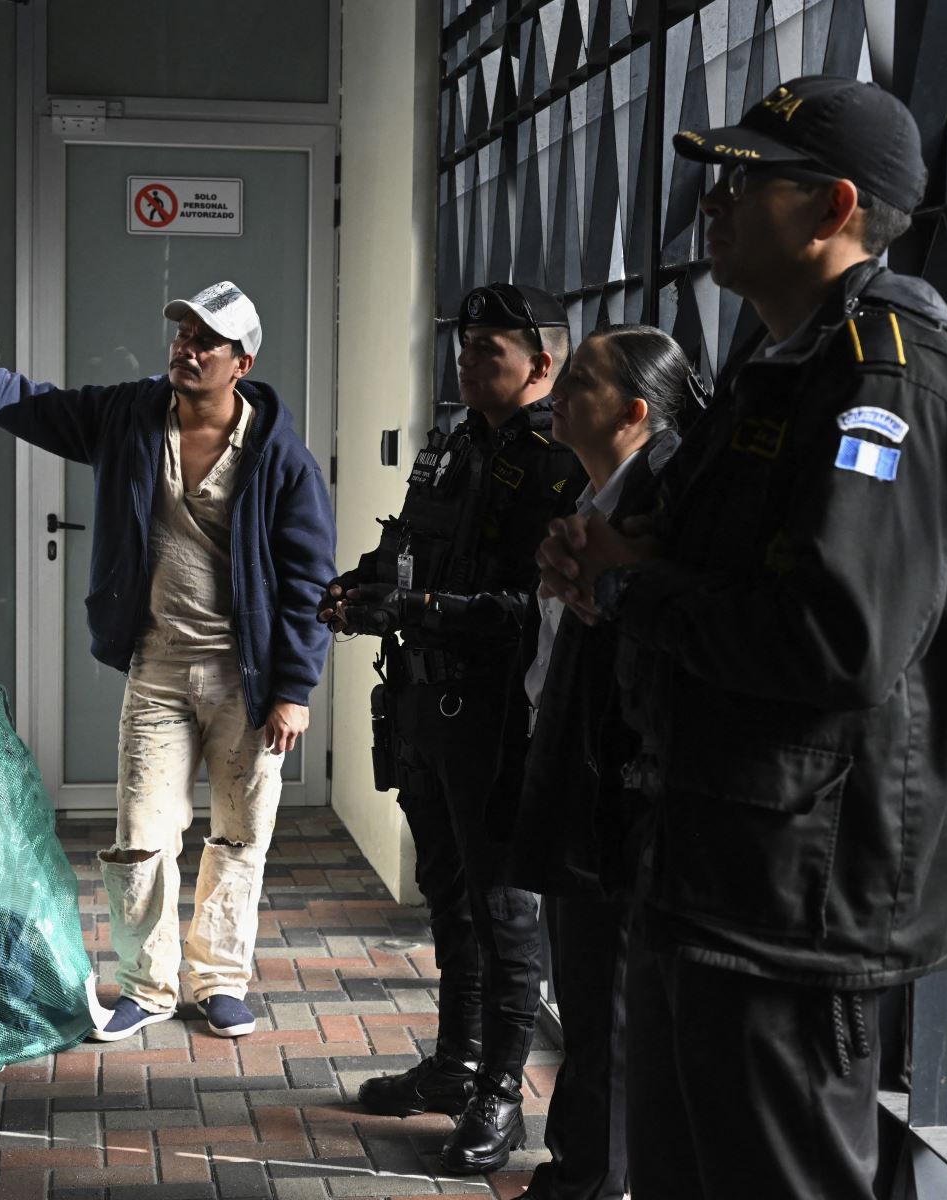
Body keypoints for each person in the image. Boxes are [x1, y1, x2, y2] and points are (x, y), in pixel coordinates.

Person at [537, 76, 947, 1197]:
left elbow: (837, 639)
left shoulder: (889, 375)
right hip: (707, 867)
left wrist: (636, 590)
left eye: (750, 179)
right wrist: (608, 560)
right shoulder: (776, 365)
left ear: (834, 207)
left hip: (797, 900)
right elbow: (704, 559)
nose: (719, 199)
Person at [0, 270, 336, 1043]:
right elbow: (28, 403)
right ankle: (147, 986)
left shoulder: (280, 458)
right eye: (183, 334)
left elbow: (310, 580)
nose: (187, 348)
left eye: (207, 341)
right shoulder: (129, 417)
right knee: (140, 835)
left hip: (249, 675)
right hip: (158, 668)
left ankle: (221, 980)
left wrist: (295, 686)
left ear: (243, 364)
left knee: (239, 833)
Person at [320, 282, 584, 1175]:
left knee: (506, 913)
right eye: (463, 351)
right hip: (425, 706)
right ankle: (456, 1065)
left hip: (500, 716)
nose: (468, 366)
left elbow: (539, 608)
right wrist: (360, 585)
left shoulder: (560, 461)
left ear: (542, 363)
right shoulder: (452, 445)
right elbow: (409, 544)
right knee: (450, 899)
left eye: (490, 354)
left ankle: (502, 1094)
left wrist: (423, 604)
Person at [504, 326, 696, 1200]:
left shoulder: (659, 507)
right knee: (583, 994)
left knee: (607, 998)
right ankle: (577, 1168)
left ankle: (592, 1180)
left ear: (635, 411)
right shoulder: (592, 495)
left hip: (620, 793)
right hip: (581, 774)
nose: (556, 391)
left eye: (579, 381)